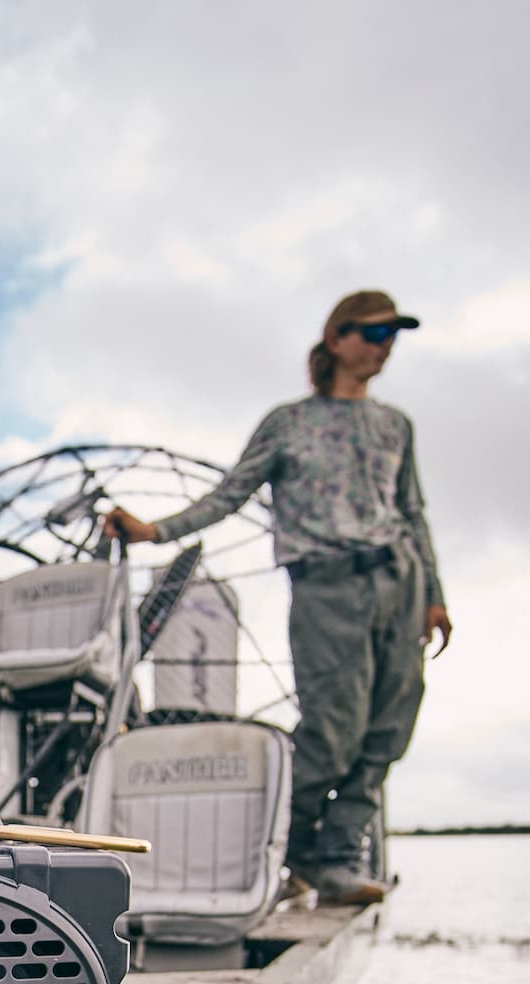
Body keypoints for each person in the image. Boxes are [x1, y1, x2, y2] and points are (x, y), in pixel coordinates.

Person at [102, 290, 452, 907]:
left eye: (393, 335)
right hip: (327, 586)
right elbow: (229, 494)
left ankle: (338, 856)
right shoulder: (289, 422)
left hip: (400, 582)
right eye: (375, 333)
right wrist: (155, 530)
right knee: (333, 730)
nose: (386, 346)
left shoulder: (396, 424)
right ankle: (288, 847)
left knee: (389, 727)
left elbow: (413, 513)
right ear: (337, 340)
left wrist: (435, 596)